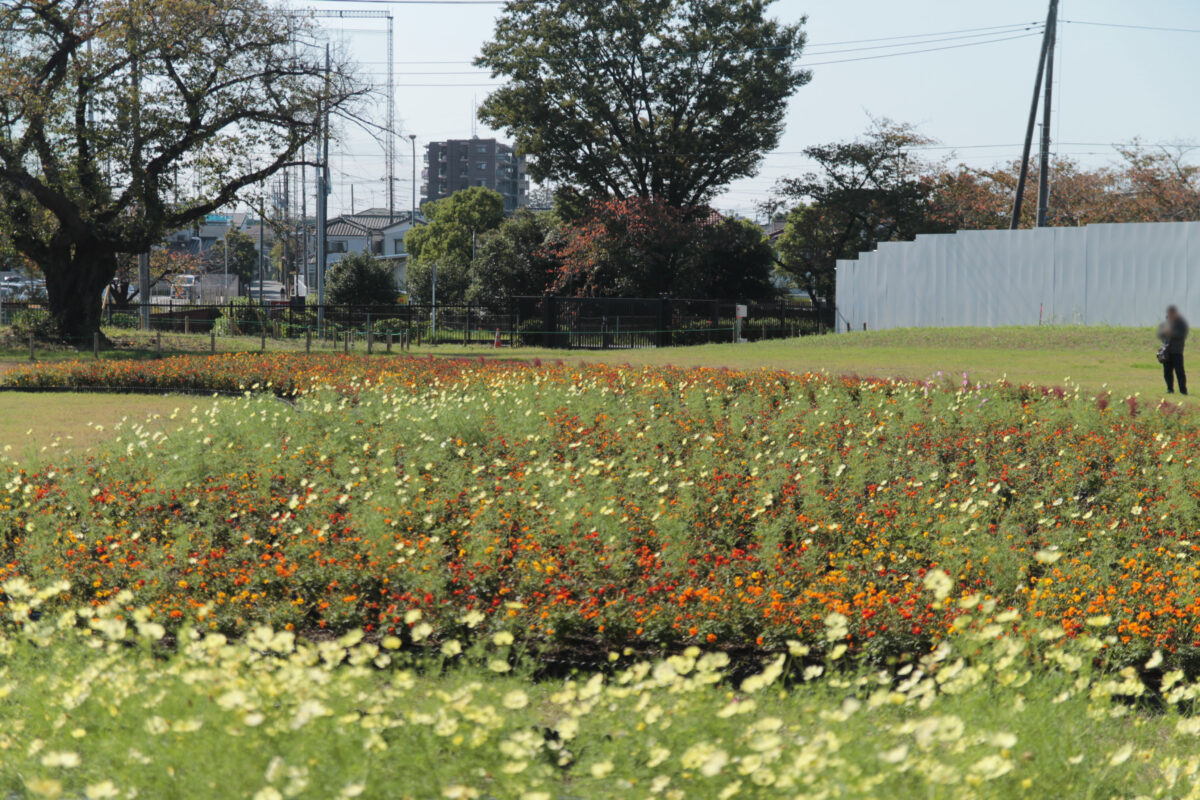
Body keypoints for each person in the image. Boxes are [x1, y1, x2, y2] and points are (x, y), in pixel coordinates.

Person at [1159, 305, 1189, 395]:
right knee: (1167, 372)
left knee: (1179, 372)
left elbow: (1181, 335)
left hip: (1177, 352)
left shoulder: (1181, 325)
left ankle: (1183, 390)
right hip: (1167, 352)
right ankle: (1169, 389)